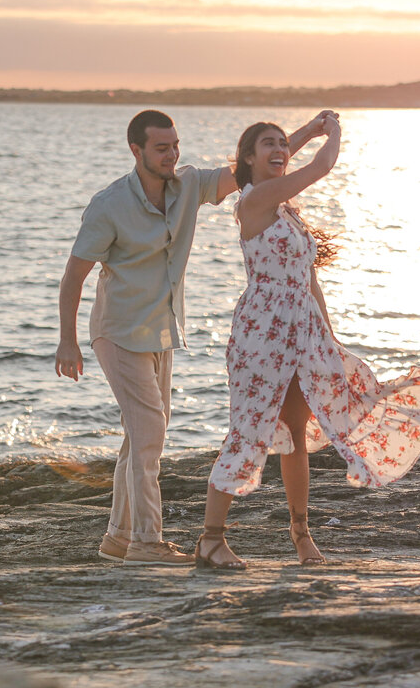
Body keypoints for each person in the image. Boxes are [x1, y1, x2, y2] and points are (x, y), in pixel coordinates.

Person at [56, 108, 333, 566]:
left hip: (160, 331)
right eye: (161, 148)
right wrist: (67, 340)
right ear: (137, 151)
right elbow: (74, 275)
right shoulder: (109, 206)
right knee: (149, 433)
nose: (171, 155)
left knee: (138, 438)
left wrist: (307, 130)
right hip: (118, 330)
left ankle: (118, 538)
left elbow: (258, 169)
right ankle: (147, 542)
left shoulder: (188, 186)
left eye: (175, 146)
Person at [195, 115, 420, 569]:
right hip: (264, 332)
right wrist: (333, 134)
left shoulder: (288, 209)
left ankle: (301, 534)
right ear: (248, 158)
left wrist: (328, 335)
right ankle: (211, 540)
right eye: (267, 146)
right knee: (249, 430)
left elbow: (310, 280)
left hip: (303, 330)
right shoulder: (256, 199)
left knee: (298, 433)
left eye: (282, 146)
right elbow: (320, 167)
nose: (279, 151)